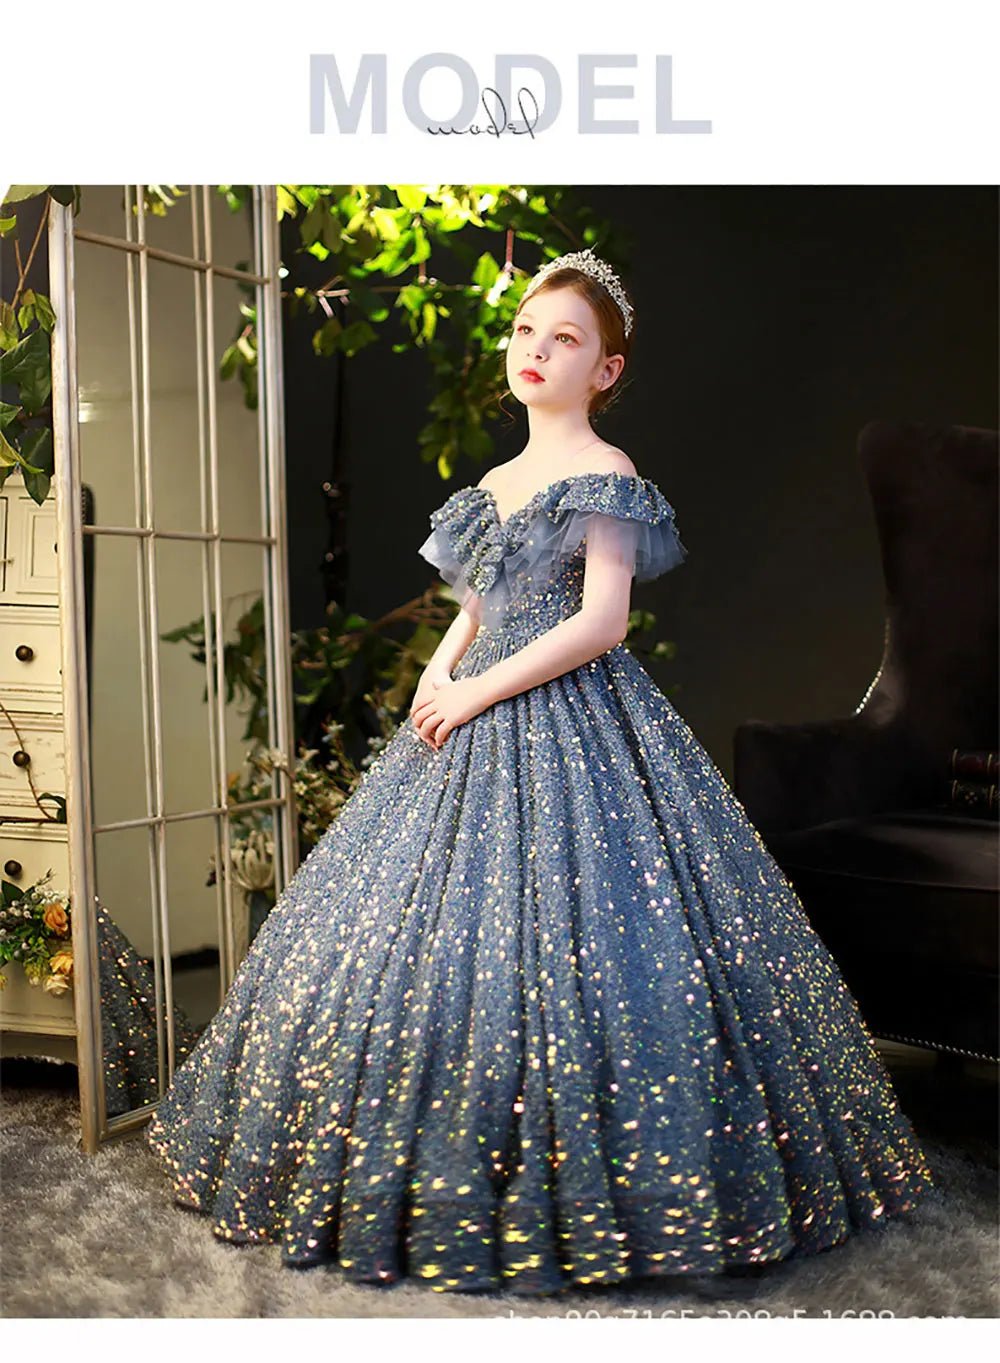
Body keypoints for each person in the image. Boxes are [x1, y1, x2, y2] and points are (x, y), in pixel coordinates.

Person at [145, 246, 935, 1297]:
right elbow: (473, 604)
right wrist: (437, 678)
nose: (536, 350)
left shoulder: (605, 473)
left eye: (565, 339)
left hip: (571, 716)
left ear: (604, 370)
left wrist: (473, 692)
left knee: (597, 937)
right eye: (526, 330)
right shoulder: (492, 483)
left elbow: (601, 622)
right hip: (472, 707)